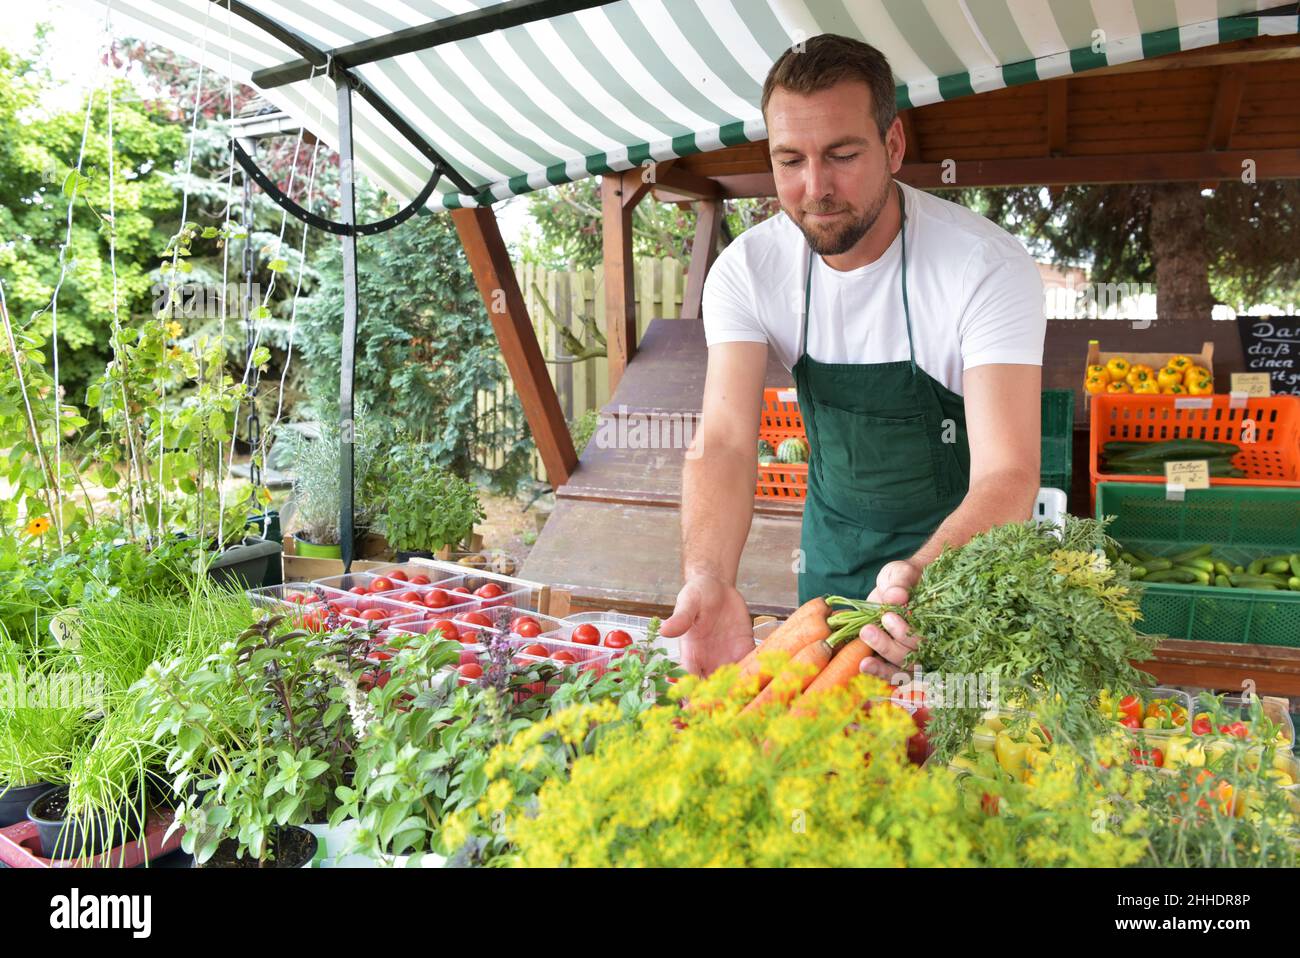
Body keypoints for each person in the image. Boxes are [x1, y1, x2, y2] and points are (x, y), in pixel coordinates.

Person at [659, 34, 1045, 679]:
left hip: (965, 572)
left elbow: (1009, 474)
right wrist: (709, 576)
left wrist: (921, 574)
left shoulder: (983, 266)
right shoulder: (747, 271)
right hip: (831, 563)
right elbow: (725, 440)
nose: (815, 189)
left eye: (842, 155)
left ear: (893, 145)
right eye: (790, 160)